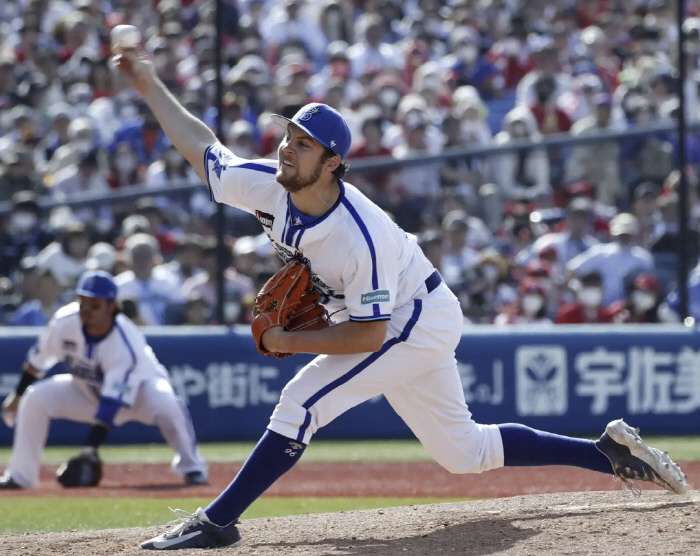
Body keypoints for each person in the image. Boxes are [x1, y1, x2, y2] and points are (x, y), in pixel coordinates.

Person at [112, 49, 688, 551]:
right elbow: (204, 150)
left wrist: (288, 338)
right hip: (404, 313)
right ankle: (607, 452)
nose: (287, 148)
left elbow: (370, 335)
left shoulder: (358, 237)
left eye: (303, 144)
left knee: (300, 402)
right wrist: (148, 83)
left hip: (413, 318)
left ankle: (216, 523)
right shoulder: (267, 184)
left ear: (332, 163)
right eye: (288, 136)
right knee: (464, 452)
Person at [0, 270, 208, 489]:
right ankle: (20, 476)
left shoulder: (125, 342)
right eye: (83, 303)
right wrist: (18, 395)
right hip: (87, 393)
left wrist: (89, 448)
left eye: (95, 305)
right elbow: (37, 362)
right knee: (35, 398)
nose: (86, 310)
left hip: (140, 396)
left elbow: (112, 402)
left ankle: (192, 467)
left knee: (167, 401)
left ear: (111, 307)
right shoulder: (64, 321)